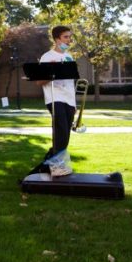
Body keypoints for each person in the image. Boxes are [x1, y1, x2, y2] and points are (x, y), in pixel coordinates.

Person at [34, 25, 77, 177]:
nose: (69, 40)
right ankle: (56, 167)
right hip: (55, 98)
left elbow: (71, 83)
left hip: (69, 100)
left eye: (70, 37)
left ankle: (50, 163)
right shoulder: (47, 57)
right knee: (60, 132)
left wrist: (75, 104)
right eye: (66, 37)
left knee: (65, 135)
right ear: (57, 39)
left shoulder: (69, 57)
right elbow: (39, 81)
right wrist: (53, 73)